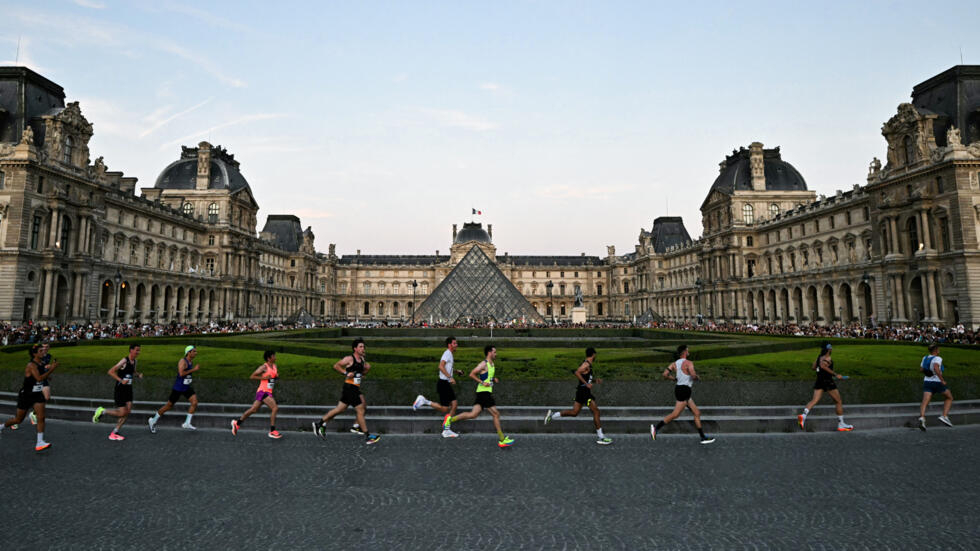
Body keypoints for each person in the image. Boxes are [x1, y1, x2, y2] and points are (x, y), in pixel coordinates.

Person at [441, 345, 514, 448]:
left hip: (483, 393)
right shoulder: (483, 364)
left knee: (473, 414)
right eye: (495, 352)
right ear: (489, 353)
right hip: (484, 393)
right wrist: (482, 382)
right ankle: (502, 439)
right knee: (496, 414)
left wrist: (493, 379)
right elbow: (472, 374)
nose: (496, 354)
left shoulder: (492, 364)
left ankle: (450, 419)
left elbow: (486, 376)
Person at [312, 338, 381, 445]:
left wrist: (366, 369)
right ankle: (367, 436)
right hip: (349, 388)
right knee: (360, 409)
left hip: (355, 388)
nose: (363, 348)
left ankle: (319, 423)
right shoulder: (349, 358)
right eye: (361, 347)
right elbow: (336, 365)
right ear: (355, 349)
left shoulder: (362, 360)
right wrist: (345, 373)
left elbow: (363, 372)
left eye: (364, 347)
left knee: (340, 409)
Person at [544, 347, 612, 445]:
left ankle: (552, 415)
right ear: (593, 354)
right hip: (584, 393)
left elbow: (585, 377)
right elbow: (577, 372)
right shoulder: (586, 364)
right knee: (596, 411)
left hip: (581, 392)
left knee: (574, 412)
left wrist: (594, 381)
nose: (596, 356)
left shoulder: (588, 365)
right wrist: (587, 384)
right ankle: (601, 437)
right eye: (595, 355)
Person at [650, 345, 715, 444]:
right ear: (684, 352)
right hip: (684, 390)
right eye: (688, 350)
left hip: (680, 389)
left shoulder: (674, 363)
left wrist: (674, 379)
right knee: (675, 414)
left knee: (697, 413)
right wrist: (697, 377)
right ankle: (656, 428)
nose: (689, 351)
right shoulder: (688, 363)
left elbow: (665, 374)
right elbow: (693, 375)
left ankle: (703, 437)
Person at [0, 344, 58, 451]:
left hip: (37, 394)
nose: (43, 352)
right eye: (40, 351)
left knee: (41, 417)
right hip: (26, 395)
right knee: (18, 420)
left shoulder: (42, 362)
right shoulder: (31, 365)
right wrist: (52, 369)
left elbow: (41, 374)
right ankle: (1, 426)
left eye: (43, 350)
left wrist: (48, 376)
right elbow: (39, 378)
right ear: (34, 354)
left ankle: (39, 442)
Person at [412, 336, 465, 437]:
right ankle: (425, 401)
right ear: (450, 345)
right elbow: (440, 366)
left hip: (445, 383)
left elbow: (446, 367)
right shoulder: (447, 353)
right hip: (444, 383)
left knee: (454, 405)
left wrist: (456, 371)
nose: (456, 345)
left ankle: (447, 429)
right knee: (446, 409)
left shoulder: (449, 354)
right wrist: (450, 378)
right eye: (454, 343)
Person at [92, 344, 143, 441]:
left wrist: (138, 375)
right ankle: (102, 411)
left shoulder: (135, 361)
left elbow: (133, 371)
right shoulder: (124, 361)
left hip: (129, 389)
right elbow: (110, 371)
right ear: (131, 350)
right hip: (120, 389)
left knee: (127, 412)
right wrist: (121, 380)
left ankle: (114, 432)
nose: (138, 352)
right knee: (122, 412)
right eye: (137, 350)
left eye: (139, 350)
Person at [797, 343, 852, 431]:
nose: (832, 349)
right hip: (828, 381)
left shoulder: (819, 357)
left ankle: (803, 416)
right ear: (829, 349)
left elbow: (813, 367)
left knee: (814, 400)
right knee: (838, 401)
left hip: (819, 380)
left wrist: (822, 370)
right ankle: (841, 424)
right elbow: (823, 366)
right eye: (831, 348)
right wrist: (836, 374)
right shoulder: (827, 358)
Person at [147, 345, 201, 433]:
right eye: (194, 351)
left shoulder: (191, 362)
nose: (196, 353)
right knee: (168, 406)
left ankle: (187, 423)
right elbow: (181, 373)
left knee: (194, 402)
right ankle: (153, 420)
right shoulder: (182, 361)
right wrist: (194, 370)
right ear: (188, 352)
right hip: (178, 388)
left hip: (186, 387)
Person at [231, 351, 282, 439]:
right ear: (269, 358)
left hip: (269, 391)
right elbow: (252, 376)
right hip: (263, 391)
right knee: (275, 408)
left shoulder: (275, 366)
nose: (275, 357)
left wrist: (276, 377)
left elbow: (273, 377)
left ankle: (237, 423)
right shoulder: (264, 367)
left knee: (253, 409)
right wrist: (264, 378)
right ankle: (272, 431)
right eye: (274, 356)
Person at [918, 343, 953, 430]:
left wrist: (928, 372)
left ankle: (922, 418)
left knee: (925, 401)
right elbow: (936, 368)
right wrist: (942, 380)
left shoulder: (925, 357)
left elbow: (921, 369)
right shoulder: (938, 358)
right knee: (949, 397)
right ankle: (944, 416)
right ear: (936, 350)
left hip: (927, 381)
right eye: (939, 349)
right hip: (937, 382)